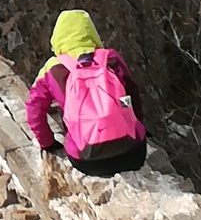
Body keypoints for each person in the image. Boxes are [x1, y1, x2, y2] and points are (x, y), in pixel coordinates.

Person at [25, 10, 147, 178]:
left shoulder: (52, 69)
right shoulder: (110, 58)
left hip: (88, 161)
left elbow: (34, 111)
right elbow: (131, 94)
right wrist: (138, 124)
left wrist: (48, 143)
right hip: (132, 153)